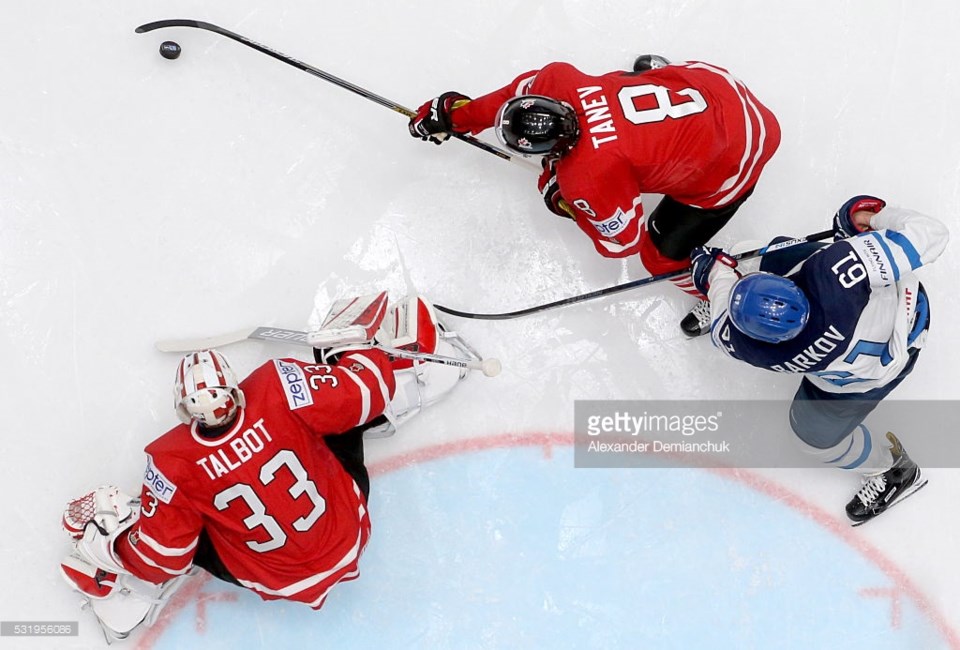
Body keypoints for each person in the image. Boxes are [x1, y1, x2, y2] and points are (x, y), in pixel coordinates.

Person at [59, 294, 477, 641]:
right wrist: (353, 349)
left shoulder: (171, 463)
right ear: (235, 390)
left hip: (279, 581)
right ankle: (417, 371)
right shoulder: (276, 387)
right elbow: (367, 390)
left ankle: (123, 586)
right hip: (349, 534)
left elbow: (162, 559)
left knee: (176, 522)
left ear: (183, 411)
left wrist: (109, 545)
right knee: (335, 408)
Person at [408, 54, 781, 336]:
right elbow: (514, 96)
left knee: (659, 258)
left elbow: (622, 242)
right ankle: (652, 78)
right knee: (613, 85)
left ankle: (719, 296)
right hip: (718, 87)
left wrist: (564, 200)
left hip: (740, 156)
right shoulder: (558, 79)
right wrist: (456, 115)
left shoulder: (585, 177)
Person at [689, 195, 949, 524]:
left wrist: (713, 277)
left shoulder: (748, 348)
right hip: (902, 320)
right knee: (763, 255)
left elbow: (722, 321)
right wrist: (870, 224)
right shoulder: (835, 272)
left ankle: (894, 471)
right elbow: (932, 234)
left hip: (863, 371)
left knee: (814, 440)